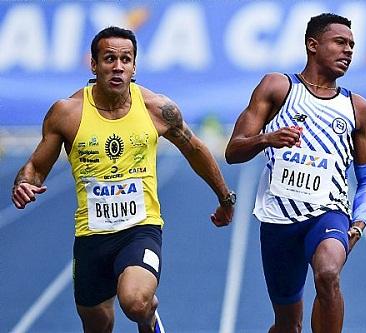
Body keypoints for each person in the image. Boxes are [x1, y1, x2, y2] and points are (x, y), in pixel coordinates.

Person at [11, 26, 236, 333]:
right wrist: (23, 184)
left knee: (136, 301)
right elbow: (35, 167)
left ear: (134, 66)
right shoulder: (67, 113)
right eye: (109, 59)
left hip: (140, 229)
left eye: (125, 60)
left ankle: (148, 319)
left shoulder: (157, 109)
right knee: (98, 325)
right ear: (93, 64)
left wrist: (224, 197)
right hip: (91, 236)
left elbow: (195, 149)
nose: (118, 67)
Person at [225, 13, 366, 332]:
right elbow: (233, 151)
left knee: (328, 273)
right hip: (278, 219)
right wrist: (267, 138)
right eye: (340, 42)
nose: (348, 50)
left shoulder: (356, 108)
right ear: (313, 45)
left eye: (352, 45)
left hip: (328, 214)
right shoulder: (277, 87)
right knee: (287, 324)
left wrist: (359, 223)